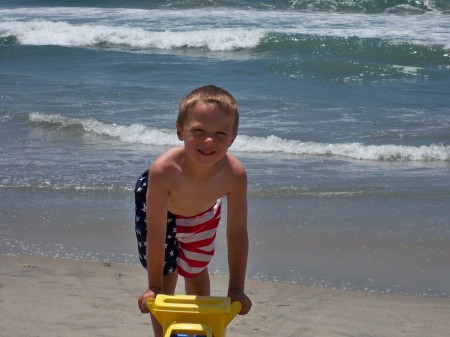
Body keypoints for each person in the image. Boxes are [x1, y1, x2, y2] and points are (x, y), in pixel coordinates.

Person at [135, 85, 252, 337]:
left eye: (221, 133)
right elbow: (155, 233)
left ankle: (201, 330)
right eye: (198, 131)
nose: (209, 140)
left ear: (233, 138)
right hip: (160, 208)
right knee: (167, 277)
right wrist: (153, 286)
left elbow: (237, 234)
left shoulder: (234, 175)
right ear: (180, 131)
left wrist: (236, 289)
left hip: (203, 211)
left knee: (195, 270)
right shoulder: (163, 170)